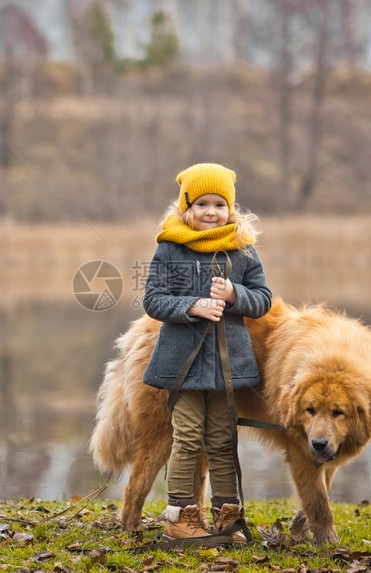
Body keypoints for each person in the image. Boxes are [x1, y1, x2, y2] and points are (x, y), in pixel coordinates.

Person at [142, 162, 272, 542]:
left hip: (226, 365)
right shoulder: (170, 248)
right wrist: (192, 307)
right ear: (186, 207)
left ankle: (227, 515)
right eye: (201, 204)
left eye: (218, 204)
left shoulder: (243, 251)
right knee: (186, 436)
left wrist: (235, 295)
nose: (210, 212)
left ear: (230, 208)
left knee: (221, 438)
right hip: (182, 365)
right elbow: (153, 299)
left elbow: (263, 299)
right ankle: (181, 518)